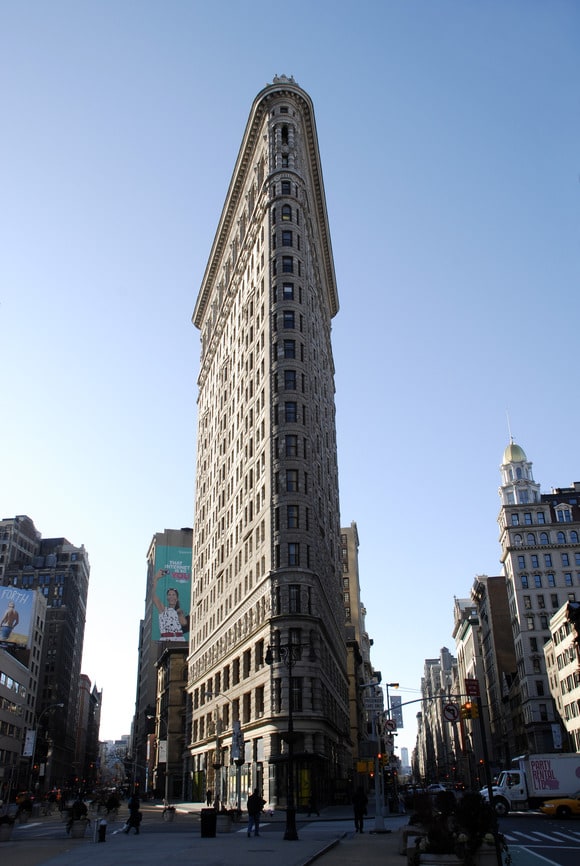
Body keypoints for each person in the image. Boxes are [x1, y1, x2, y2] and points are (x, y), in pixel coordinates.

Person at [153, 569, 189, 640]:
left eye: (173, 595)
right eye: (169, 595)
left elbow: (184, 623)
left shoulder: (179, 611)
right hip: (166, 638)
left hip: (179, 638)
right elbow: (153, 597)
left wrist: (178, 611)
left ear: (177, 597)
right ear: (167, 597)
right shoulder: (163, 609)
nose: (171, 597)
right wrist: (156, 578)